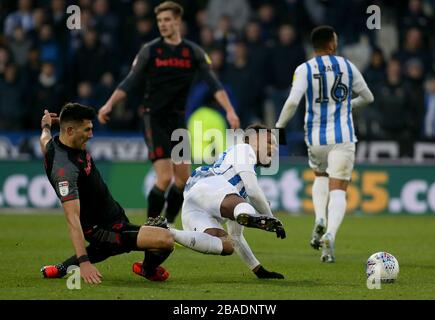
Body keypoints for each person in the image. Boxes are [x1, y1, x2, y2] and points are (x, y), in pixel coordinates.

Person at [98, 1, 240, 226]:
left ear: (177, 22)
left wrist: (230, 111)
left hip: (178, 121)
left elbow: (213, 84)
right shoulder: (150, 50)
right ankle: (150, 227)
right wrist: (109, 104)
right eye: (159, 21)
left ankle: (169, 223)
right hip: (154, 119)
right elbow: (130, 81)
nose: (162, 24)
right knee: (164, 177)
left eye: (167, 20)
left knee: (183, 180)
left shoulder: (193, 52)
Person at [39, 103, 174, 284]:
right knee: (165, 238)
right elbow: (72, 218)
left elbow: (44, 138)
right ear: (70, 131)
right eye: (87, 130)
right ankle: (147, 269)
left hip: (112, 216)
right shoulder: (65, 171)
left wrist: (46, 125)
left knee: (108, 248)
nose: (91, 135)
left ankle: (61, 268)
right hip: (102, 228)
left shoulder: (54, 145)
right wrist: (84, 262)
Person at [275, 26, 374, 263]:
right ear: (331, 44)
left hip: (316, 138)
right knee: (339, 189)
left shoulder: (304, 69)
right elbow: (368, 97)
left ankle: (319, 218)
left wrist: (278, 127)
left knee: (320, 177)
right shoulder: (348, 66)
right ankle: (329, 234)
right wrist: (346, 106)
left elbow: (292, 103)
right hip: (343, 137)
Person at [169, 124, 286, 279]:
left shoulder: (236, 188)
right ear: (255, 140)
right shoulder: (244, 149)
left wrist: (259, 270)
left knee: (227, 245)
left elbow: (236, 236)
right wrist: (272, 219)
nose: (275, 149)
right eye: (270, 142)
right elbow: (253, 190)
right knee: (244, 207)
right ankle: (251, 215)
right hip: (209, 186)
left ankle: (169, 231)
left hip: (195, 205)